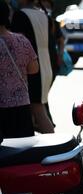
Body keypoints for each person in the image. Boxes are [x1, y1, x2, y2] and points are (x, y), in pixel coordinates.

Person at [10, 0, 55, 134]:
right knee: (37, 110)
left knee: (38, 111)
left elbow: (18, 44)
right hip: (46, 67)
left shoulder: (20, 15)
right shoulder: (43, 15)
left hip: (33, 69)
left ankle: (53, 147)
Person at [0, 0, 39, 138]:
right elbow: (34, 69)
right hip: (22, 107)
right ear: (7, 16)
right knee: (23, 153)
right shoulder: (22, 40)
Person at [39, 0, 65, 128]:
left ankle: (44, 122)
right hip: (42, 62)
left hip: (51, 62)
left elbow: (61, 40)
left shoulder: (52, 22)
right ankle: (46, 121)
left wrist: (60, 55)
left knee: (43, 95)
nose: (45, 7)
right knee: (42, 96)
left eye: (47, 5)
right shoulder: (38, 19)